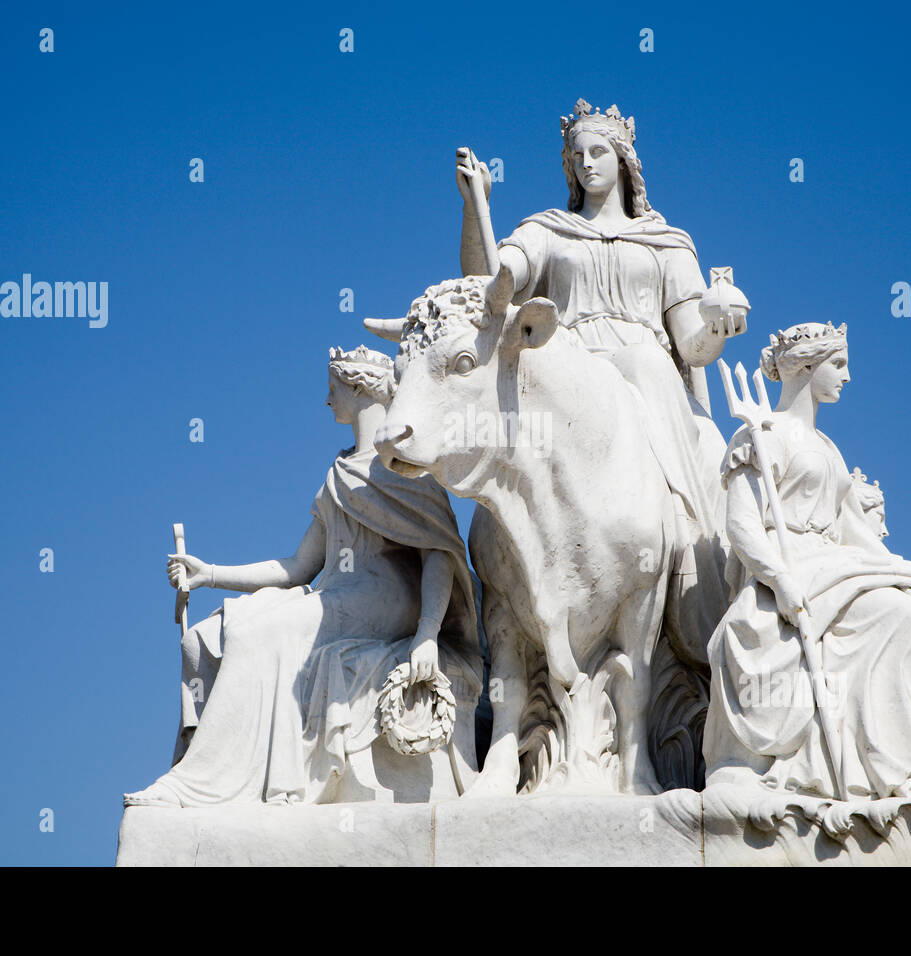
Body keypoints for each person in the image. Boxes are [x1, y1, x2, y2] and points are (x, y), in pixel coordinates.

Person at [124, 346, 483, 807]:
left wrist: (428, 635)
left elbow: (438, 555)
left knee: (261, 636)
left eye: (333, 388)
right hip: (336, 592)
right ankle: (199, 764)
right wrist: (209, 573)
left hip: (387, 597)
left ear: (358, 388)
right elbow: (296, 568)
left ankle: (207, 785)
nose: (326, 399)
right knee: (205, 638)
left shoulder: (405, 469)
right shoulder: (337, 473)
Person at [703, 322, 911, 801]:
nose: (847, 376)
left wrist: (909, 575)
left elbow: (858, 537)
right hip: (797, 570)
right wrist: (780, 579)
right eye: (838, 364)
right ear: (806, 366)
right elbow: (742, 526)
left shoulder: (828, 450)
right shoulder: (761, 434)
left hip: (840, 568)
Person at [456, 98, 744, 658]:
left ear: (623, 160)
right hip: (568, 371)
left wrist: (720, 323)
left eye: (598, 152)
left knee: (708, 449)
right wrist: (476, 210)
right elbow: (490, 286)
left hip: (647, 376)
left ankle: (690, 558)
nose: (586, 164)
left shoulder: (667, 243)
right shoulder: (549, 230)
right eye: (576, 156)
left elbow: (692, 345)